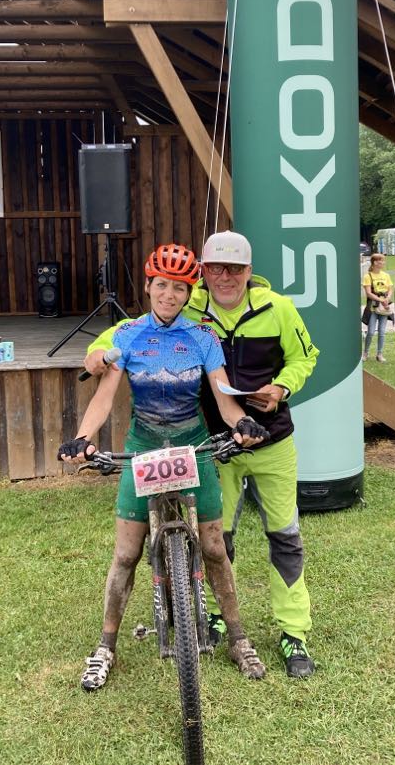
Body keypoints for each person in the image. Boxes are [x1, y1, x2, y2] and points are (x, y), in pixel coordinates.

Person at [85, 231, 319, 678]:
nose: (225, 277)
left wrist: (279, 391)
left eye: (235, 269)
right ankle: (184, 626)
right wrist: (95, 356)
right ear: (204, 275)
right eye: (216, 269)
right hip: (195, 445)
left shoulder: (272, 311)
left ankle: (286, 633)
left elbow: (301, 360)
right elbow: (119, 341)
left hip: (256, 440)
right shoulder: (178, 311)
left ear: (249, 271)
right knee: (191, 545)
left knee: (276, 538)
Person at [58, 243, 268, 692]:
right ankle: (105, 647)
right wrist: (83, 437)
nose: (169, 295)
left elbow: (224, 399)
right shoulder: (128, 335)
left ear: (189, 293)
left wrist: (242, 423)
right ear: (148, 286)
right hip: (144, 445)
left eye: (179, 288)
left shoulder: (203, 337)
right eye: (161, 285)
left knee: (214, 549)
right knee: (126, 554)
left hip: (193, 446)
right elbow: (104, 397)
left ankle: (238, 638)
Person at [361, 252, 393, 363]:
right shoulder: (368, 276)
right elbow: (368, 293)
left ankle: (379, 354)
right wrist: (380, 300)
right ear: (375, 262)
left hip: (384, 307)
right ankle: (365, 353)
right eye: (381, 260)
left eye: (383, 260)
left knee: (382, 331)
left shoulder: (386, 275)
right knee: (370, 332)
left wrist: (387, 299)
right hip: (373, 307)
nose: (383, 263)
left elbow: (390, 289)